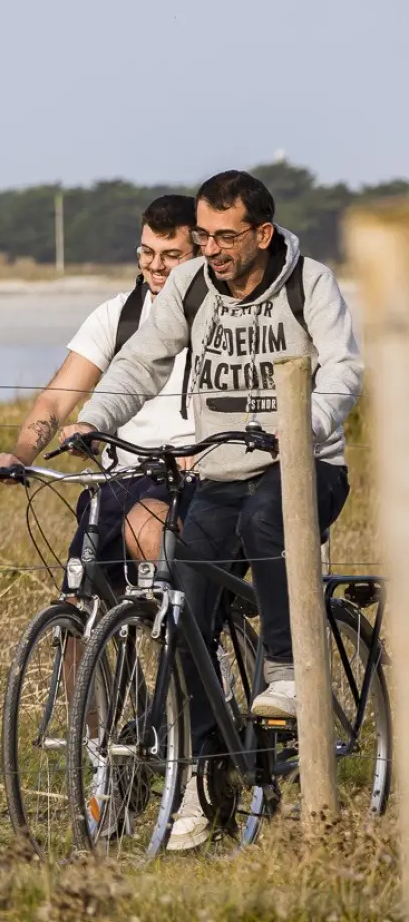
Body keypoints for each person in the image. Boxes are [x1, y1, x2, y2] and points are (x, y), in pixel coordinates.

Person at [63, 169, 364, 850]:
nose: (212, 249)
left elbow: (343, 370)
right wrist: (94, 418)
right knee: (187, 610)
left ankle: (286, 672)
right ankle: (204, 778)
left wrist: (302, 424)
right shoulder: (194, 286)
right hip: (221, 472)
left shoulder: (308, 282)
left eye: (225, 236)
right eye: (203, 235)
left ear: (263, 233)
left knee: (265, 522)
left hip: (305, 464)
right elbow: (141, 360)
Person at [0, 195, 202, 578]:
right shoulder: (120, 315)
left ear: (201, 253)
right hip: (122, 479)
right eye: (147, 252)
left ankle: (193, 615)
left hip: (191, 480)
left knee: (149, 537)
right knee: (81, 590)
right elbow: (56, 399)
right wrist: (21, 456)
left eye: (171, 255)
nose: (155, 265)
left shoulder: (222, 317)